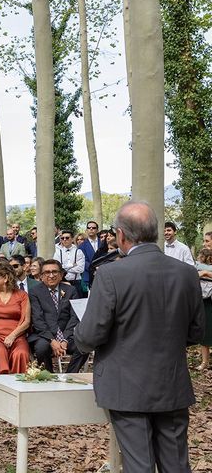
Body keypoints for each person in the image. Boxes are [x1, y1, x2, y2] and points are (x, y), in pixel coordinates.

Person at [74, 201, 204, 473]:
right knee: (177, 464)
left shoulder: (110, 274)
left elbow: (90, 335)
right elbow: (195, 331)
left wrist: (78, 335)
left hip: (127, 386)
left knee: (139, 465)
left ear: (120, 235)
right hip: (172, 382)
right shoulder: (187, 273)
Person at [28, 259, 88, 373]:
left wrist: (64, 339)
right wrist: (52, 340)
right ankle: (49, 376)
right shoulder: (34, 292)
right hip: (44, 335)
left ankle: (69, 376)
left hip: (67, 335)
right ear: (41, 276)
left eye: (55, 272)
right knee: (41, 348)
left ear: (61, 275)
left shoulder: (71, 290)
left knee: (84, 346)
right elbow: (38, 319)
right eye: (47, 272)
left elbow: (74, 317)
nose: (51, 275)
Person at [195, 248, 212, 370]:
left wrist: (206, 273)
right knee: (205, 333)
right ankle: (205, 362)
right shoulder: (197, 267)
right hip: (204, 302)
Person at [53, 230, 85, 295]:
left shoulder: (78, 252)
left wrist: (64, 267)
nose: (64, 240)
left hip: (76, 282)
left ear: (72, 239)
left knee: (77, 303)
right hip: (63, 282)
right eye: (62, 238)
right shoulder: (58, 253)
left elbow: (80, 269)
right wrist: (71, 265)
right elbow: (57, 268)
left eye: (67, 238)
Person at [78, 221, 101, 294]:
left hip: (103, 274)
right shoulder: (82, 246)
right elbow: (83, 261)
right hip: (89, 276)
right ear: (86, 230)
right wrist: (94, 269)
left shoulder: (103, 243)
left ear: (97, 230)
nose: (91, 229)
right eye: (89, 228)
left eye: (93, 228)